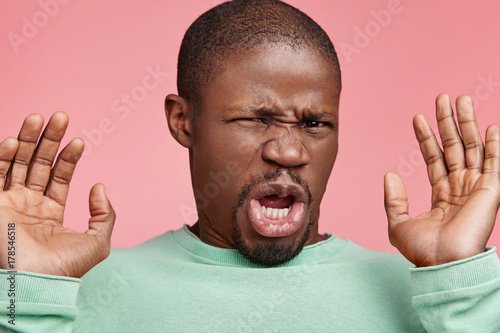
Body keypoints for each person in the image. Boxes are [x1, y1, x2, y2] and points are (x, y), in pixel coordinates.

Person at [1, 0, 499, 332]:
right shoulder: (77, 291)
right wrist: (24, 291)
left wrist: (460, 279)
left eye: (315, 124)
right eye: (256, 118)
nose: (289, 151)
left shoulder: (422, 291)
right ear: (183, 121)